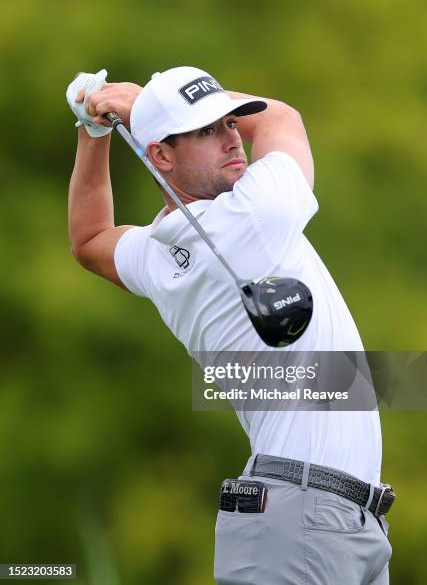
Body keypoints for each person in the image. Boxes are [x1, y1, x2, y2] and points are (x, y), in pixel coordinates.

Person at [66, 67, 394, 584]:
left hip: (331, 520)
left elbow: (89, 239)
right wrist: (140, 103)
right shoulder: (256, 213)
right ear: (160, 155)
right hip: (303, 518)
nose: (232, 138)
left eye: (229, 122)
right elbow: (283, 118)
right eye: (205, 130)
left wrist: (93, 130)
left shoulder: (158, 253)